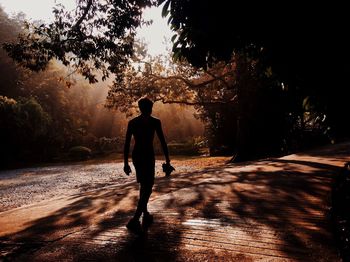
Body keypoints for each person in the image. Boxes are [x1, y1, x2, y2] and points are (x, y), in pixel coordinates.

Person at [123, 97, 172, 235]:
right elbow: (163, 142)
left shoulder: (133, 122)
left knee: (144, 185)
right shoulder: (155, 122)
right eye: (149, 108)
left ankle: (145, 213)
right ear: (149, 108)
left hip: (137, 156)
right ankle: (135, 218)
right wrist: (168, 160)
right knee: (148, 186)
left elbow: (127, 144)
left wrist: (126, 163)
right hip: (147, 156)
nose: (149, 110)